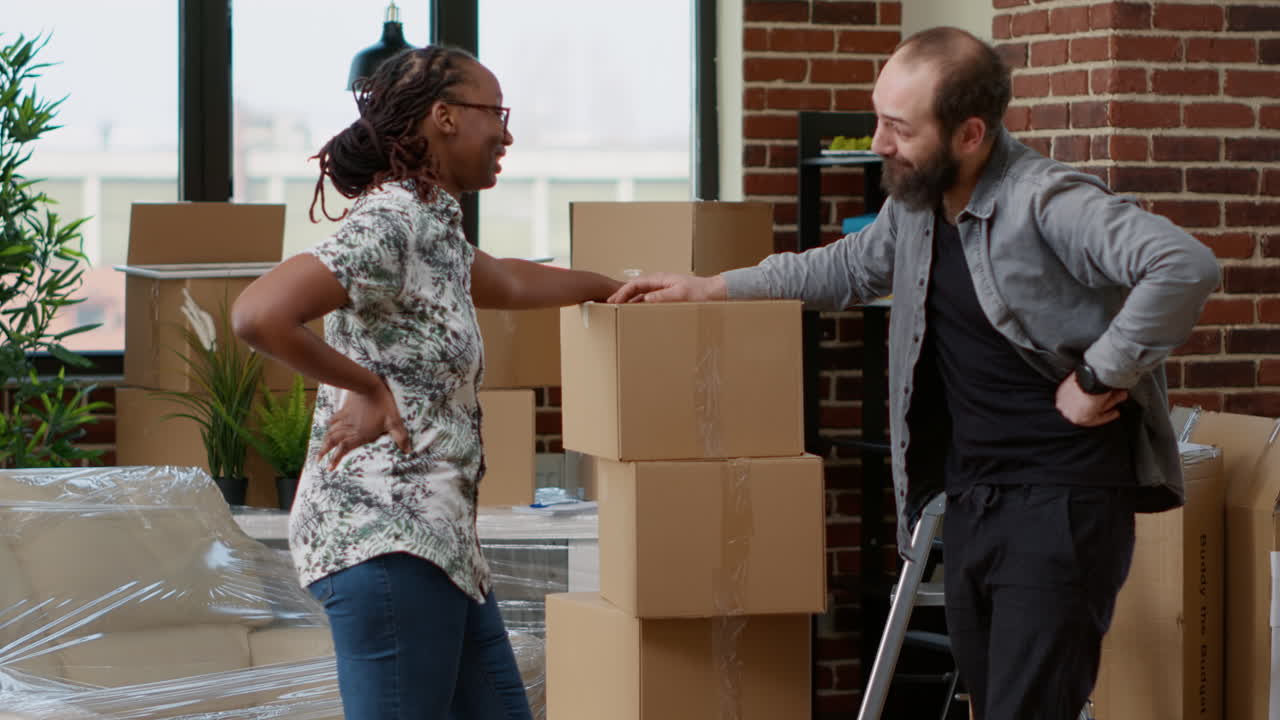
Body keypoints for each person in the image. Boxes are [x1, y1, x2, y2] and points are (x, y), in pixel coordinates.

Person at [609, 26, 1219, 720]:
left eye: (898, 127)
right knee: (994, 703)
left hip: (1062, 500)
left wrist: (1096, 379)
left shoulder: (1045, 200)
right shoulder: (918, 206)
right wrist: (707, 288)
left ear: (969, 134)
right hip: (972, 495)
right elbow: (842, 268)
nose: (878, 142)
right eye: (878, 118)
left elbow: (1184, 265)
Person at [232, 45, 620, 720]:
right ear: (442, 117)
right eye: (494, 113)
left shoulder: (432, 226)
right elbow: (259, 313)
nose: (506, 132)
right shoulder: (392, 222)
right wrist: (368, 388)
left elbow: (508, 280)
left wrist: (621, 289)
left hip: (442, 547)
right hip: (386, 539)